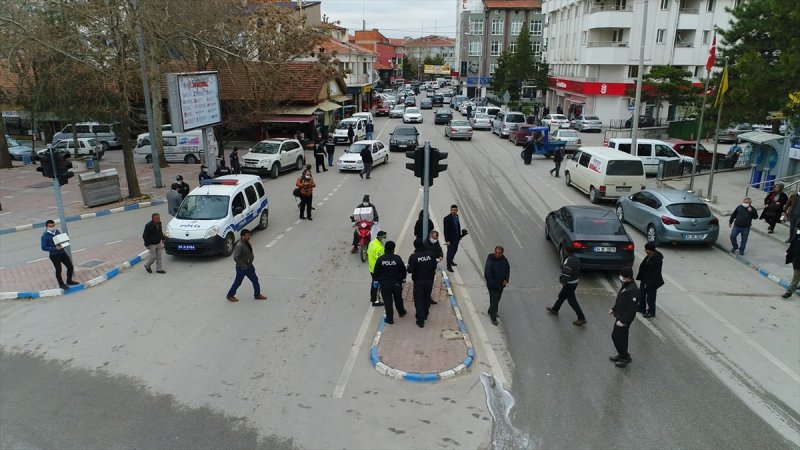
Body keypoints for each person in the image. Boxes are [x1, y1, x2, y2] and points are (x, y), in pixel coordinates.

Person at [546, 246, 586, 325]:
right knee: (562, 296)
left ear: (566, 250)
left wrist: (563, 281)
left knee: (572, 301)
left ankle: (581, 318)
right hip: (574, 282)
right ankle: (555, 309)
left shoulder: (569, 260)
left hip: (569, 283)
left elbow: (566, 273)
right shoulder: (575, 258)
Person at [226, 228, 267, 302]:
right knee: (238, 282)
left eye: (249, 235)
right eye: (247, 235)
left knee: (255, 280)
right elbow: (236, 257)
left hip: (249, 266)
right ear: (242, 236)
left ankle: (257, 294)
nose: (249, 237)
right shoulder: (239, 246)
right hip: (242, 268)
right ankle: (230, 295)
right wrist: (244, 265)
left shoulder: (246, 242)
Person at [609, 267, 640, 368]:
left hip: (624, 319)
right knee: (621, 337)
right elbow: (621, 300)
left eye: (622, 276)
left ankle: (625, 357)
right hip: (620, 316)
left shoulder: (633, 290)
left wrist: (623, 321)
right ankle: (621, 355)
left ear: (628, 278)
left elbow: (632, 309)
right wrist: (614, 309)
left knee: (617, 336)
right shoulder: (626, 285)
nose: (620, 277)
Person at [373, 240, 407, 324]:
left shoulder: (380, 259)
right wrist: (403, 279)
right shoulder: (397, 258)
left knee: (388, 301)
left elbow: (376, 271)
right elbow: (403, 270)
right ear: (393, 249)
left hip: (385, 284)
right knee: (398, 298)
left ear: (385, 249)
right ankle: (401, 312)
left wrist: (376, 281)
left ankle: (390, 319)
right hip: (396, 283)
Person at [407, 239, 437, 328]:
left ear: (415, 246)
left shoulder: (413, 257)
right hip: (429, 280)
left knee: (419, 299)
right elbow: (434, 266)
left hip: (419, 281)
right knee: (427, 297)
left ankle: (420, 320)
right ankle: (425, 313)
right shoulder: (431, 254)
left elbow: (410, 270)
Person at [40, 219, 78, 289]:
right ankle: (61, 284)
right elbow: (44, 247)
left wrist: (64, 241)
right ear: (47, 227)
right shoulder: (44, 236)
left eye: (53, 226)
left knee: (70, 266)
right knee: (58, 269)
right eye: (50, 226)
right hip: (54, 255)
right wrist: (55, 248)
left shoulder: (57, 231)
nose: (52, 227)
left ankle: (69, 281)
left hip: (62, 252)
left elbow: (61, 239)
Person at [636, 242, 664, 318]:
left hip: (652, 282)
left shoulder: (657, 259)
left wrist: (648, 283)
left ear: (651, 250)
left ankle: (651, 312)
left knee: (650, 298)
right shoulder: (649, 256)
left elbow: (655, 273)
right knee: (641, 295)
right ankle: (641, 308)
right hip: (644, 279)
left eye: (646, 249)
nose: (645, 250)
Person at [484, 246, 510, 326]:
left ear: (502, 254)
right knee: (494, 301)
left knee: (497, 299)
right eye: (496, 253)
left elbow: (507, 270)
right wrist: (493, 283)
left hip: (501, 285)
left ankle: (490, 310)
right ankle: (493, 317)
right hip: (492, 285)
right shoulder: (490, 260)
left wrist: (506, 279)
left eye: (499, 253)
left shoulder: (504, 260)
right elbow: (487, 273)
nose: (497, 255)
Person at [443, 204, 468, 272]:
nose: (453, 211)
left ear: (457, 210)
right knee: (450, 251)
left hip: (456, 237)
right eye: (452, 210)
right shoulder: (447, 218)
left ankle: (451, 260)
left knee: (455, 250)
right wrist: (447, 240)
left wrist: (460, 235)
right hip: (450, 239)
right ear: (450, 210)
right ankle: (448, 265)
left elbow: (457, 226)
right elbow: (446, 230)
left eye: (455, 210)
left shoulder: (457, 216)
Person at [367, 230, 387, 306]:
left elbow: (368, 253)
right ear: (380, 238)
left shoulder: (372, 243)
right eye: (384, 237)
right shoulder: (379, 248)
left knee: (374, 283)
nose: (385, 238)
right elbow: (381, 260)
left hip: (371, 267)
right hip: (377, 269)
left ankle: (373, 297)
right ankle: (376, 301)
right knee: (377, 285)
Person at [783, 229, 800, 298]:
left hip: (798, 261)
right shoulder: (798, 235)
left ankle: (789, 292)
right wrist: (788, 251)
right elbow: (792, 244)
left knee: (796, 277)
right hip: (796, 259)